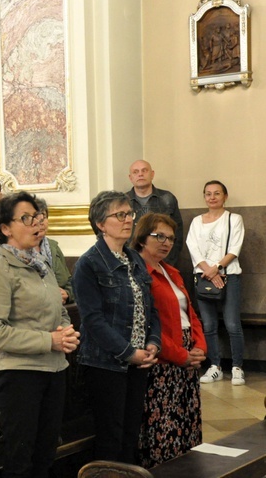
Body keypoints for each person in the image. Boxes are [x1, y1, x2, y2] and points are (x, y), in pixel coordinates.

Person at [0, 192, 79, 478]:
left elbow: (57, 308)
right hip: (20, 375)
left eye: (36, 217)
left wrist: (65, 331)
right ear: (5, 228)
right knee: (20, 460)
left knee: (46, 454)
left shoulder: (40, 264)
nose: (35, 223)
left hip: (54, 369)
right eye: (26, 218)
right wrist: (50, 341)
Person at [72, 190, 161, 464]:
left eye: (129, 214)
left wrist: (152, 343)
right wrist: (127, 352)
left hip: (138, 360)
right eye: (119, 215)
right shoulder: (89, 264)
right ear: (100, 224)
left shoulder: (134, 259)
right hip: (105, 364)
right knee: (111, 435)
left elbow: (150, 309)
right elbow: (93, 320)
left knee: (130, 433)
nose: (128, 220)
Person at [132, 213, 207, 467]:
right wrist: (181, 355)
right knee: (165, 426)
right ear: (142, 238)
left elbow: (191, 314)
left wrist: (199, 347)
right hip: (164, 360)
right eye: (159, 236)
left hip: (187, 357)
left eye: (171, 238)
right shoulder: (139, 272)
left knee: (187, 422)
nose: (166, 242)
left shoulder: (171, 271)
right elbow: (147, 324)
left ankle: (189, 471)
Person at [186, 180, 245, 385]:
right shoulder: (196, 221)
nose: (212, 197)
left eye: (217, 193)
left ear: (225, 196)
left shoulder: (234, 219)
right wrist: (208, 271)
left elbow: (234, 248)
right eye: (208, 194)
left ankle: (237, 367)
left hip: (229, 276)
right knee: (209, 324)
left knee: (232, 324)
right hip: (203, 277)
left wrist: (217, 268)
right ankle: (215, 366)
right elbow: (192, 247)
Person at [126, 160, 184, 266]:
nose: (140, 174)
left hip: (163, 263)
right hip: (131, 264)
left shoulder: (167, 199)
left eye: (144, 170)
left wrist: (167, 264)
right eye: (136, 172)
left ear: (152, 174)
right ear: (130, 178)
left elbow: (177, 235)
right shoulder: (123, 202)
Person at [34, 197, 74, 304]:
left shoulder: (53, 247)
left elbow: (69, 281)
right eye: (36, 218)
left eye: (44, 217)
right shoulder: (20, 251)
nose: (41, 222)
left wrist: (67, 293)